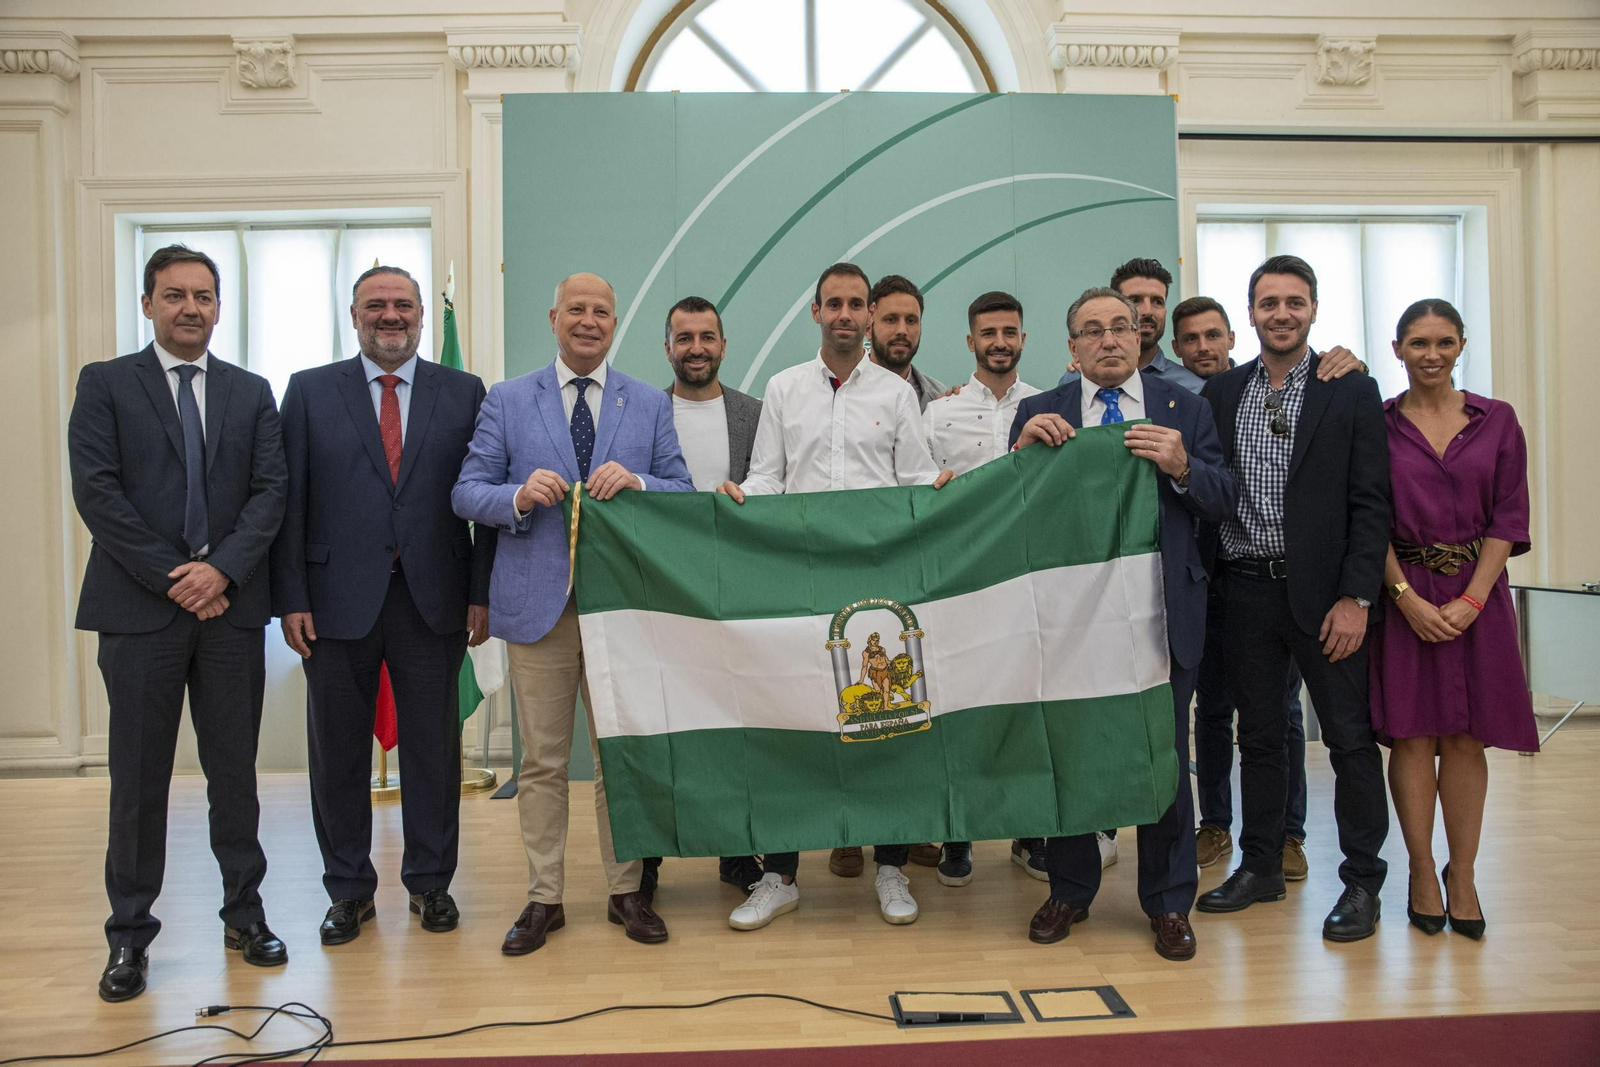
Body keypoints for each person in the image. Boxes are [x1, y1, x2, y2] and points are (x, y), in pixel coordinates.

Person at [69, 244, 288, 1001]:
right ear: (148, 304)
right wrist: (181, 577)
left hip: (230, 613)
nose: (190, 307)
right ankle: (129, 937)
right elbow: (97, 494)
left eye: (202, 296)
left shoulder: (251, 392)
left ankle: (245, 915)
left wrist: (219, 571)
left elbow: (270, 493)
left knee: (235, 775)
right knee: (138, 781)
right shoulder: (105, 384)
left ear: (218, 307)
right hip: (138, 614)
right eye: (174, 295)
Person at [453, 272, 694, 955]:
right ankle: (543, 897)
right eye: (577, 310)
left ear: (615, 323)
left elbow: (683, 489)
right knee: (542, 762)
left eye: (602, 312)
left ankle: (626, 891)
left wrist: (640, 482)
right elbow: (466, 491)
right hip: (538, 609)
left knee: (620, 758)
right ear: (554, 317)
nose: (589, 321)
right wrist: (517, 495)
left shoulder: (647, 402)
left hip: (622, 609)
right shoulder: (507, 399)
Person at [716, 262, 954, 930]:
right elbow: (768, 477)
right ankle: (780, 875)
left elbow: (913, 478)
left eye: (857, 304)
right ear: (816, 311)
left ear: (869, 314)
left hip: (880, 576)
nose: (846, 314)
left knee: (886, 723)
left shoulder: (897, 393)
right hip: (804, 577)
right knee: (795, 721)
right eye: (835, 303)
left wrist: (942, 487)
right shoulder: (784, 387)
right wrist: (741, 495)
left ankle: (891, 867)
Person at [271, 265, 497, 946]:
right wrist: (291, 597)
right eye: (376, 304)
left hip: (436, 599)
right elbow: (288, 502)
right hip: (333, 603)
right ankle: (348, 890)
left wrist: (481, 592)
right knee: (337, 754)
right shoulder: (309, 391)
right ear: (354, 315)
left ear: (422, 315)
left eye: (403, 304)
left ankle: (431, 883)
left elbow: (485, 495)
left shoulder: (464, 391)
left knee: (434, 752)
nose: (390, 315)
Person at [1011, 286, 1235, 961]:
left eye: (1121, 327)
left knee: (1162, 757)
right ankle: (1070, 888)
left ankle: (1168, 901)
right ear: (1072, 347)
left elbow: (1224, 498)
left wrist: (1183, 466)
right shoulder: (1040, 412)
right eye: (1092, 330)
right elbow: (1011, 512)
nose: (1108, 339)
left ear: (1140, 337)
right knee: (1072, 752)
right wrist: (1020, 454)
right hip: (1071, 619)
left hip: (1160, 613)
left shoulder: (1185, 408)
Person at [1195, 255, 1392, 943]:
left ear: (1312, 309)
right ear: (1250, 313)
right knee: (1259, 739)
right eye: (1269, 302)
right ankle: (1260, 867)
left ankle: (1362, 882)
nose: (1282, 313)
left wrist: (1357, 596)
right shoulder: (1222, 392)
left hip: (1326, 598)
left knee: (1348, 741)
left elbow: (1371, 502)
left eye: (1294, 302)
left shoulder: (1350, 388)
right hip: (1245, 588)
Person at [1370, 298, 1535, 940]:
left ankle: (1461, 875)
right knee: (1413, 736)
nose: (1431, 354)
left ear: (1462, 344)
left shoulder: (1498, 421)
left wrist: (1471, 600)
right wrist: (1405, 597)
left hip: (1478, 596)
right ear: (1398, 350)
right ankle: (1419, 871)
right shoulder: (1378, 424)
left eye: (1444, 342)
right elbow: (1367, 518)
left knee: (1466, 738)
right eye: (1418, 343)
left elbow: (1509, 517)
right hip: (1403, 596)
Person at [1171, 296, 1309, 878]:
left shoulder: (1258, 389)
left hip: (1274, 579)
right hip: (1209, 576)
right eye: (1191, 339)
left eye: (1213, 335)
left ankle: (1288, 833)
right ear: (1177, 349)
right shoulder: (1183, 401)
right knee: (1212, 708)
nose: (1203, 347)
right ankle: (1216, 823)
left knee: (1280, 710)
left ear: (1233, 335)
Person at [920, 289, 1041, 888]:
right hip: (960, 585)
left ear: (1023, 339)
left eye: (1009, 332)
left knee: (1025, 706)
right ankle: (958, 833)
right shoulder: (937, 413)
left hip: (1026, 582)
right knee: (958, 707)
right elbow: (920, 491)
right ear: (970, 341)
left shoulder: (1048, 405)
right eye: (988, 333)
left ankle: (1029, 833)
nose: (999, 342)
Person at [655, 294, 765, 895]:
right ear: (667, 348)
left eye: (706, 337)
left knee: (738, 726)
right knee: (661, 727)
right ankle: (648, 861)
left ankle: (736, 852)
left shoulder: (756, 413)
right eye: (685, 338)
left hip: (736, 593)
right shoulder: (643, 411)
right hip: (661, 592)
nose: (696, 349)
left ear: (723, 345)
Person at [1058, 258, 1203, 395]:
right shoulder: (1077, 377)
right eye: (1135, 300)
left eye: (1157, 301)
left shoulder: (1191, 387)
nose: (1148, 311)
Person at [868, 274, 947, 410]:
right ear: (868, 328)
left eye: (911, 321)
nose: (902, 330)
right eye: (891, 319)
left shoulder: (939, 397)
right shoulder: (842, 390)